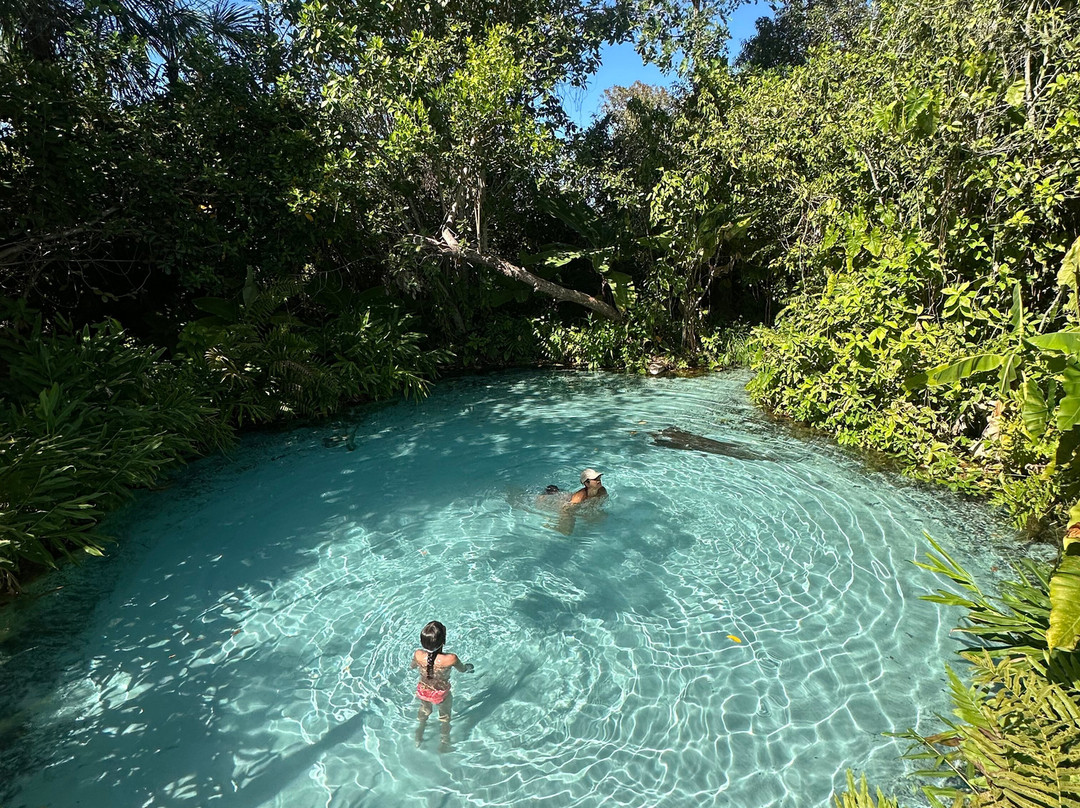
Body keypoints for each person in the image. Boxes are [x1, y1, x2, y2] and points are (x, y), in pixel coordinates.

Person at [410, 620, 473, 750]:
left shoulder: (418, 654)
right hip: (441, 693)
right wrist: (469, 667)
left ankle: (419, 735)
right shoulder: (450, 659)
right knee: (445, 718)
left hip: (423, 689)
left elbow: (412, 666)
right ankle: (444, 742)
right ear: (443, 641)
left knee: (425, 711)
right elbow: (462, 669)